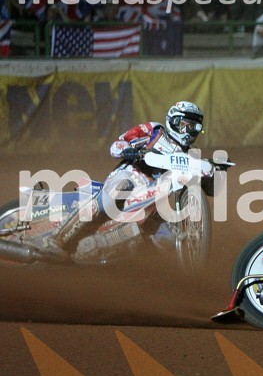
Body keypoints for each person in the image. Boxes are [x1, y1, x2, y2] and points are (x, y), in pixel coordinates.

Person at [46, 102, 205, 260]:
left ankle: (111, 255)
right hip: (132, 176)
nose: (190, 131)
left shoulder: (191, 156)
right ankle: (57, 240)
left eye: (195, 127)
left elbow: (205, 187)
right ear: (174, 122)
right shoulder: (155, 131)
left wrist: (211, 171)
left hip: (152, 203)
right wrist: (128, 150)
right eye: (186, 125)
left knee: (169, 240)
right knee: (122, 187)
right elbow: (118, 143)